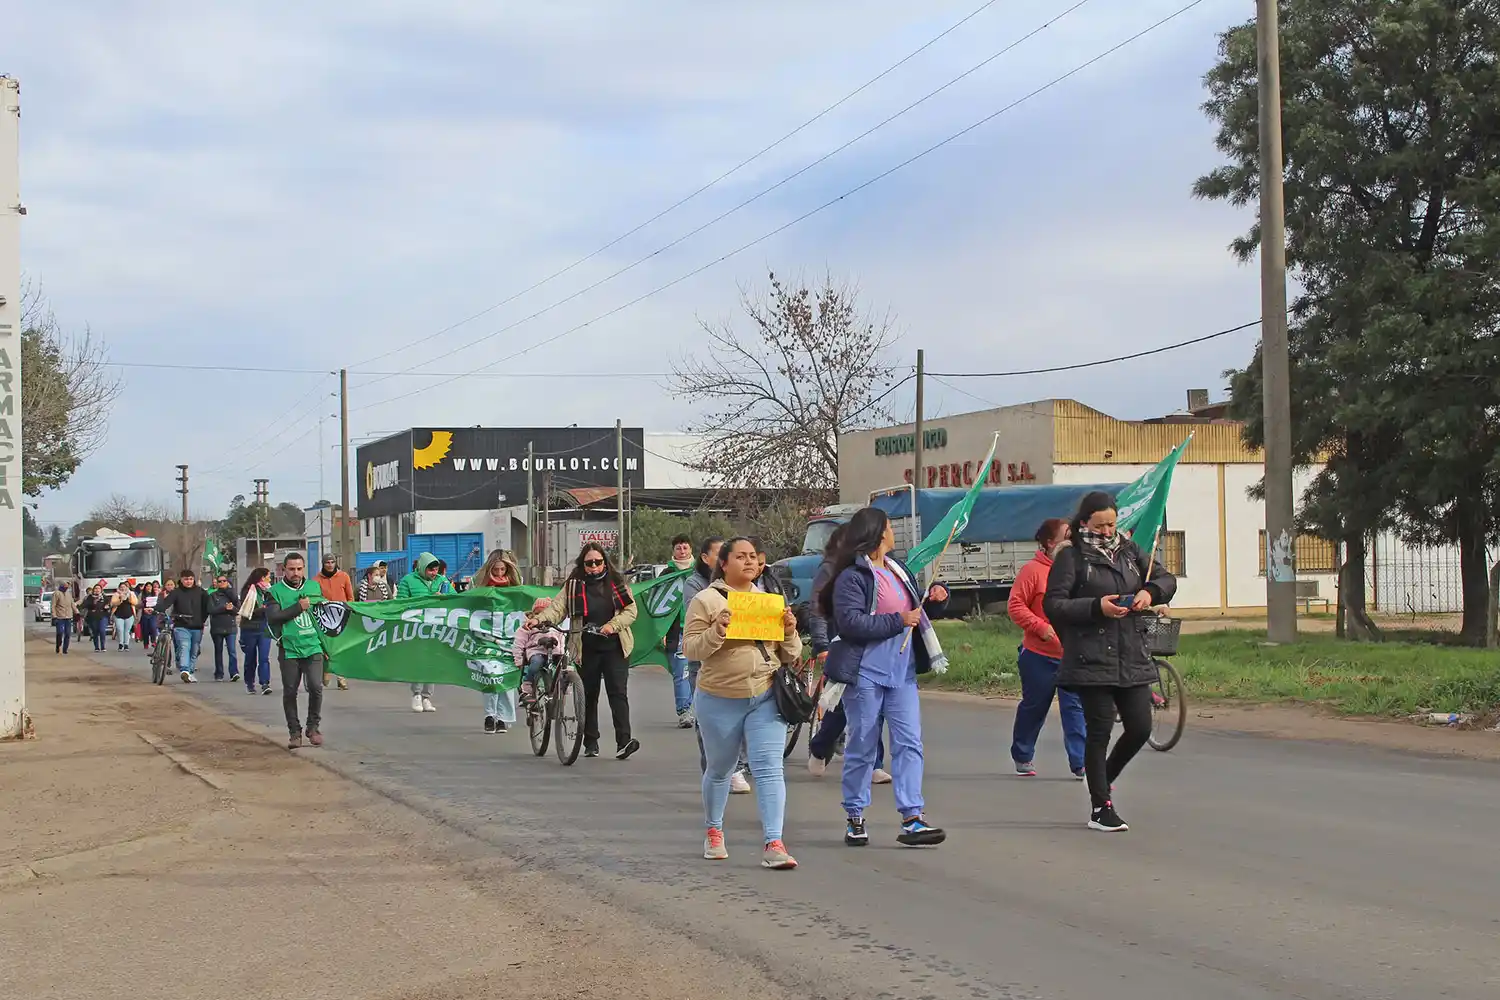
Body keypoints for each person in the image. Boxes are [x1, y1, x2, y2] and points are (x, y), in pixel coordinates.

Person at [1043, 491, 1176, 832]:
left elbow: (1164, 578)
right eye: (1099, 525)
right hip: (1091, 657)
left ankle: (1102, 777)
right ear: (1084, 523)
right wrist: (1095, 607)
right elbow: (1054, 605)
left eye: (1112, 524)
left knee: (1140, 727)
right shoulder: (1071, 557)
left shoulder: (1129, 551)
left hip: (1131, 652)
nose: (1106, 531)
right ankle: (1101, 808)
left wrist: (1150, 593)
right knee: (1099, 730)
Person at [823, 506, 950, 848]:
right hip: (864, 672)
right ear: (878, 533)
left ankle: (912, 817)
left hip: (902, 672)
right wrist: (899, 621)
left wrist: (937, 600)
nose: (895, 533)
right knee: (863, 744)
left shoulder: (898, 570)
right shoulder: (853, 577)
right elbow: (850, 623)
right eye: (891, 527)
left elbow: (915, 612)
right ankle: (855, 814)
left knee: (910, 743)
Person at [684, 536, 803, 869]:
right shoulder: (706, 600)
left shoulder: (769, 600)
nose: (750, 562)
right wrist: (717, 631)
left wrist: (791, 631)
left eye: (754, 557)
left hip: (765, 695)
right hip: (719, 698)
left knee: (768, 769)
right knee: (720, 769)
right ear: (724, 563)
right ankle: (714, 831)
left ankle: (774, 843)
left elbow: (791, 654)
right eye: (741, 556)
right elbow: (692, 650)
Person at [527, 543, 640, 760]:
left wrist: (612, 626)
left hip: (615, 646)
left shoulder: (617, 583)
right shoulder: (573, 586)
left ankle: (624, 742)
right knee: (589, 694)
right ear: (583, 564)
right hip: (585, 646)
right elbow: (557, 608)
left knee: (618, 693)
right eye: (589, 563)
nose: (594, 567)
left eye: (598, 562)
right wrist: (538, 619)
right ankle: (590, 741)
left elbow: (631, 610)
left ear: (605, 563)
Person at [806, 526, 891, 783]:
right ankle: (821, 746)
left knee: (876, 707)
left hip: (874, 647)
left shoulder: (876, 567)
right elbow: (818, 609)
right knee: (841, 708)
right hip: (842, 646)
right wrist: (822, 644)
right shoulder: (830, 569)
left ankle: (874, 763)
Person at [1008, 518, 1087, 779]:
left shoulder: (1079, 568)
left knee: (1075, 710)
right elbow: (1016, 606)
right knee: (1035, 707)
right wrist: (1040, 627)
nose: (1072, 540)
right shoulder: (1033, 571)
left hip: (1072, 656)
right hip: (1039, 656)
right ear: (1050, 543)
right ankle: (1022, 754)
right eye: (1066, 535)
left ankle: (1081, 762)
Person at [264, 553, 326, 749]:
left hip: (313, 645)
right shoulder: (274, 591)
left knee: (316, 687)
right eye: (291, 569)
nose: (296, 573)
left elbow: (324, 614)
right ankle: (294, 732)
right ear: (284, 569)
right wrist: (298, 607)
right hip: (289, 648)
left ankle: (313, 727)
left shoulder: (314, 587)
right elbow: (274, 617)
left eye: (299, 569)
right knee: (290, 691)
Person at [471, 549, 523, 733]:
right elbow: (465, 604)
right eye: (496, 570)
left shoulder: (516, 587)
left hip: (509, 637)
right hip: (485, 637)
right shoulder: (477, 586)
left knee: (506, 678)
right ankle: (489, 715)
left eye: (503, 569)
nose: (500, 573)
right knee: (490, 675)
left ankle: (503, 717)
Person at [398, 553, 447, 712]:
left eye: (436, 570)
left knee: (432, 662)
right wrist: (430, 599)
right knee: (419, 660)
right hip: (415, 628)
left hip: (437, 628)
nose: (434, 573)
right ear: (422, 567)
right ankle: (417, 694)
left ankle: (427, 697)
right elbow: (401, 603)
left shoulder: (442, 581)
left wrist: (444, 597)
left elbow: (456, 599)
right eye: (430, 570)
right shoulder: (408, 580)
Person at [157, 569, 212, 682]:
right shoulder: (176, 592)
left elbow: (208, 607)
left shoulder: (201, 592)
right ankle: (184, 670)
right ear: (181, 580)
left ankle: (190, 672)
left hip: (197, 626)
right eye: (186, 579)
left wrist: (202, 619)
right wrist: (155, 609)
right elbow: (165, 604)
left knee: (194, 650)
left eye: (191, 579)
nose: (188, 581)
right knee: (184, 646)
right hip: (181, 625)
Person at [664, 534, 696, 728]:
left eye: (685, 547)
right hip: (677, 632)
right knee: (681, 672)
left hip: (699, 629)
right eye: (679, 548)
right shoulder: (667, 573)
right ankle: (684, 711)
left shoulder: (700, 572)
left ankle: (699, 709)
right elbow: (657, 607)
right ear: (673, 551)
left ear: (691, 549)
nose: (682, 552)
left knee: (701, 671)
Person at [514, 597, 563, 705]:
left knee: (563, 664)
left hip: (554, 652)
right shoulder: (528, 627)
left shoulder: (555, 627)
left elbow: (561, 639)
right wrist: (518, 660)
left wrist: (562, 651)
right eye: (538, 614)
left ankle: (562, 686)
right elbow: (518, 643)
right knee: (536, 663)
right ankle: (527, 686)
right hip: (536, 651)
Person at [316, 554, 355, 690]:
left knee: (340, 648)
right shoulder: (316, 579)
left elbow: (350, 597)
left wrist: (350, 611)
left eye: (332, 562)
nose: (330, 564)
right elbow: (315, 599)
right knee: (326, 647)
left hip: (341, 617)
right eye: (327, 562)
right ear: (323, 564)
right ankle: (326, 671)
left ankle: (341, 677)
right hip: (325, 618)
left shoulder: (344, 576)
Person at [237, 568, 275, 696]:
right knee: (250, 658)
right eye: (268, 576)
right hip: (249, 628)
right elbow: (247, 610)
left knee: (264, 658)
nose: (269, 579)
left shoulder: (269, 590)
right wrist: (263, 609)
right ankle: (250, 683)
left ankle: (265, 683)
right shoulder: (248, 590)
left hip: (264, 628)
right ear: (261, 577)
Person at [207, 573, 241, 683]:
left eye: (224, 581)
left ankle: (234, 672)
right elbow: (211, 610)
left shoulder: (232, 595)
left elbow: (238, 610)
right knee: (218, 650)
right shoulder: (213, 596)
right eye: (219, 581)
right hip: (217, 627)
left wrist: (232, 609)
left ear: (228, 582)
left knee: (232, 650)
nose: (222, 583)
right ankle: (219, 673)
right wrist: (224, 608)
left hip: (230, 626)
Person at [109, 582, 139, 652]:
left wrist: (129, 597)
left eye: (124, 587)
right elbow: (113, 603)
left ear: (127, 587)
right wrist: (120, 599)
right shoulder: (116, 594)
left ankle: (126, 644)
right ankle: (120, 644)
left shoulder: (131, 593)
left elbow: (135, 602)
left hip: (129, 614)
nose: (123, 588)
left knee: (127, 630)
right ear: (119, 588)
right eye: (121, 587)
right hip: (118, 614)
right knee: (120, 630)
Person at [82, 584, 109, 651]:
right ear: (93, 590)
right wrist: (94, 602)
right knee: (95, 632)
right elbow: (85, 605)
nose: (97, 590)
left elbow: (109, 604)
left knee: (102, 630)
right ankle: (96, 647)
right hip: (93, 616)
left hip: (103, 616)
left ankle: (103, 646)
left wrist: (108, 607)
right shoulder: (90, 597)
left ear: (101, 590)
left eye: (98, 589)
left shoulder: (104, 597)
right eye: (95, 588)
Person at [51, 585, 76, 654]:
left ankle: (65, 649)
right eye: (66, 584)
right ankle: (58, 644)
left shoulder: (68, 594)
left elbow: (72, 604)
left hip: (68, 617)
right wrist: (54, 616)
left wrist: (77, 612)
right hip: (59, 617)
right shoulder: (57, 593)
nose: (67, 586)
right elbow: (53, 605)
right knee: (60, 632)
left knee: (67, 634)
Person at [139, 582, 161, 653]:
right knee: (145, 629)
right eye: (147, 586)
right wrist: (143, 608)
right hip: (144, 614)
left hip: (153, 614)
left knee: (153, 627)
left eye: (150, 586)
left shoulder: (155, 594)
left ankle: (153, 641)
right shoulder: (141, 595)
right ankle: (146, 643)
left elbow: (159, 603)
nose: (149, 588)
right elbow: (137, 604)